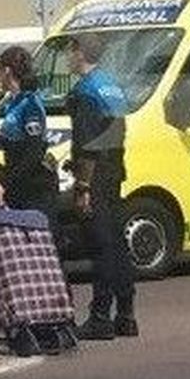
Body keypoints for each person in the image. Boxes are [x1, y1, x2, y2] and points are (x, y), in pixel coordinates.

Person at [66, 33, 137, 340]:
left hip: (96, 175)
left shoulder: (85, 91)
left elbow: (88, 145)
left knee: (101, 246)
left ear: (80, 53)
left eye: (70, 52)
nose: (68, 58)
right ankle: (126, 314)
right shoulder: (112, 86)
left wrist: (82, 187)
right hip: (115, 169)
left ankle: (100, 316)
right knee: (118, 244)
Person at [0, 46, 56, 222]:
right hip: (18, 183)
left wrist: (4, 183)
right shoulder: (14, 101)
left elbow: (34, 149)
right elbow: (16, 140)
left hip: (33, 187)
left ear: (7, 71)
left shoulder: (30, 103)